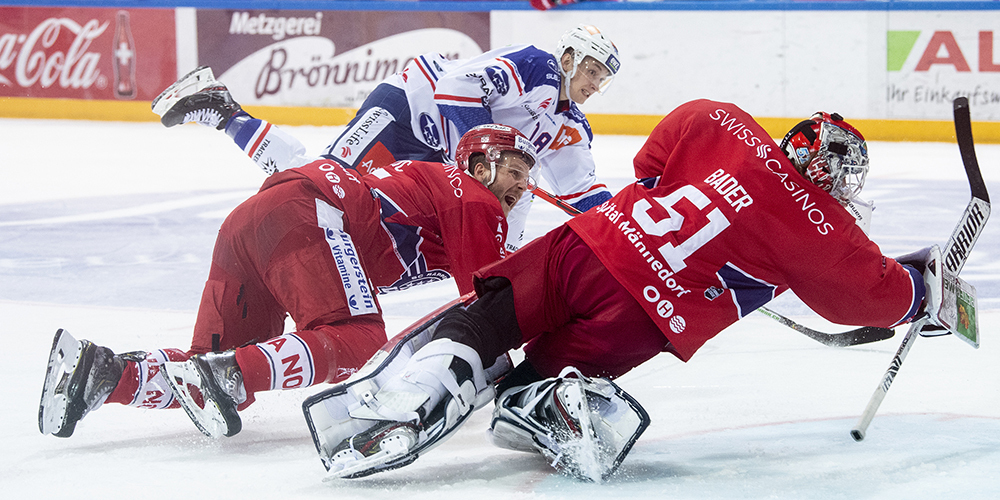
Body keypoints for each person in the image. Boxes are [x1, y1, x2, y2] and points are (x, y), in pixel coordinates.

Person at [303, 99, 935, 481]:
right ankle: (538, 401)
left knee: (488, 321)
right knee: (546, 374)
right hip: (639, 315)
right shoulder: (818, 227)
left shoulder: (723, 123)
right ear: (831, 175)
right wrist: (923, 286)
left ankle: (426, 384)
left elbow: (650, 164)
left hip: (586, 246)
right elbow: (870, 299)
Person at [38, 124, 536, 439]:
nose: (520, 186)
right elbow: (486, 301)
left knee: (212, 363)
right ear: (476, 164)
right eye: (512, 170)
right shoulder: (475, 199)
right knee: (359, 340)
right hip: (309, 213)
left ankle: (102, 374)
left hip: (255, 219)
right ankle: (230, 375)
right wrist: (527, 376)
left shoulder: (445, 195)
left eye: (527, 177)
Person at [152, 25, 621, 251]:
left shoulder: (571, 128)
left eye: (603, 78)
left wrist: (633, 225)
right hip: (406, 108)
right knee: (323, 181)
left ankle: (224, 115)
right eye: (593, 69)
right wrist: (469, 165)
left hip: (436, 152)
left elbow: (583, 193)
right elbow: (455, 89)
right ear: (569, 57)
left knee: (361, 215)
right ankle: (223, 112)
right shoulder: (535, 65)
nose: (595, 83)